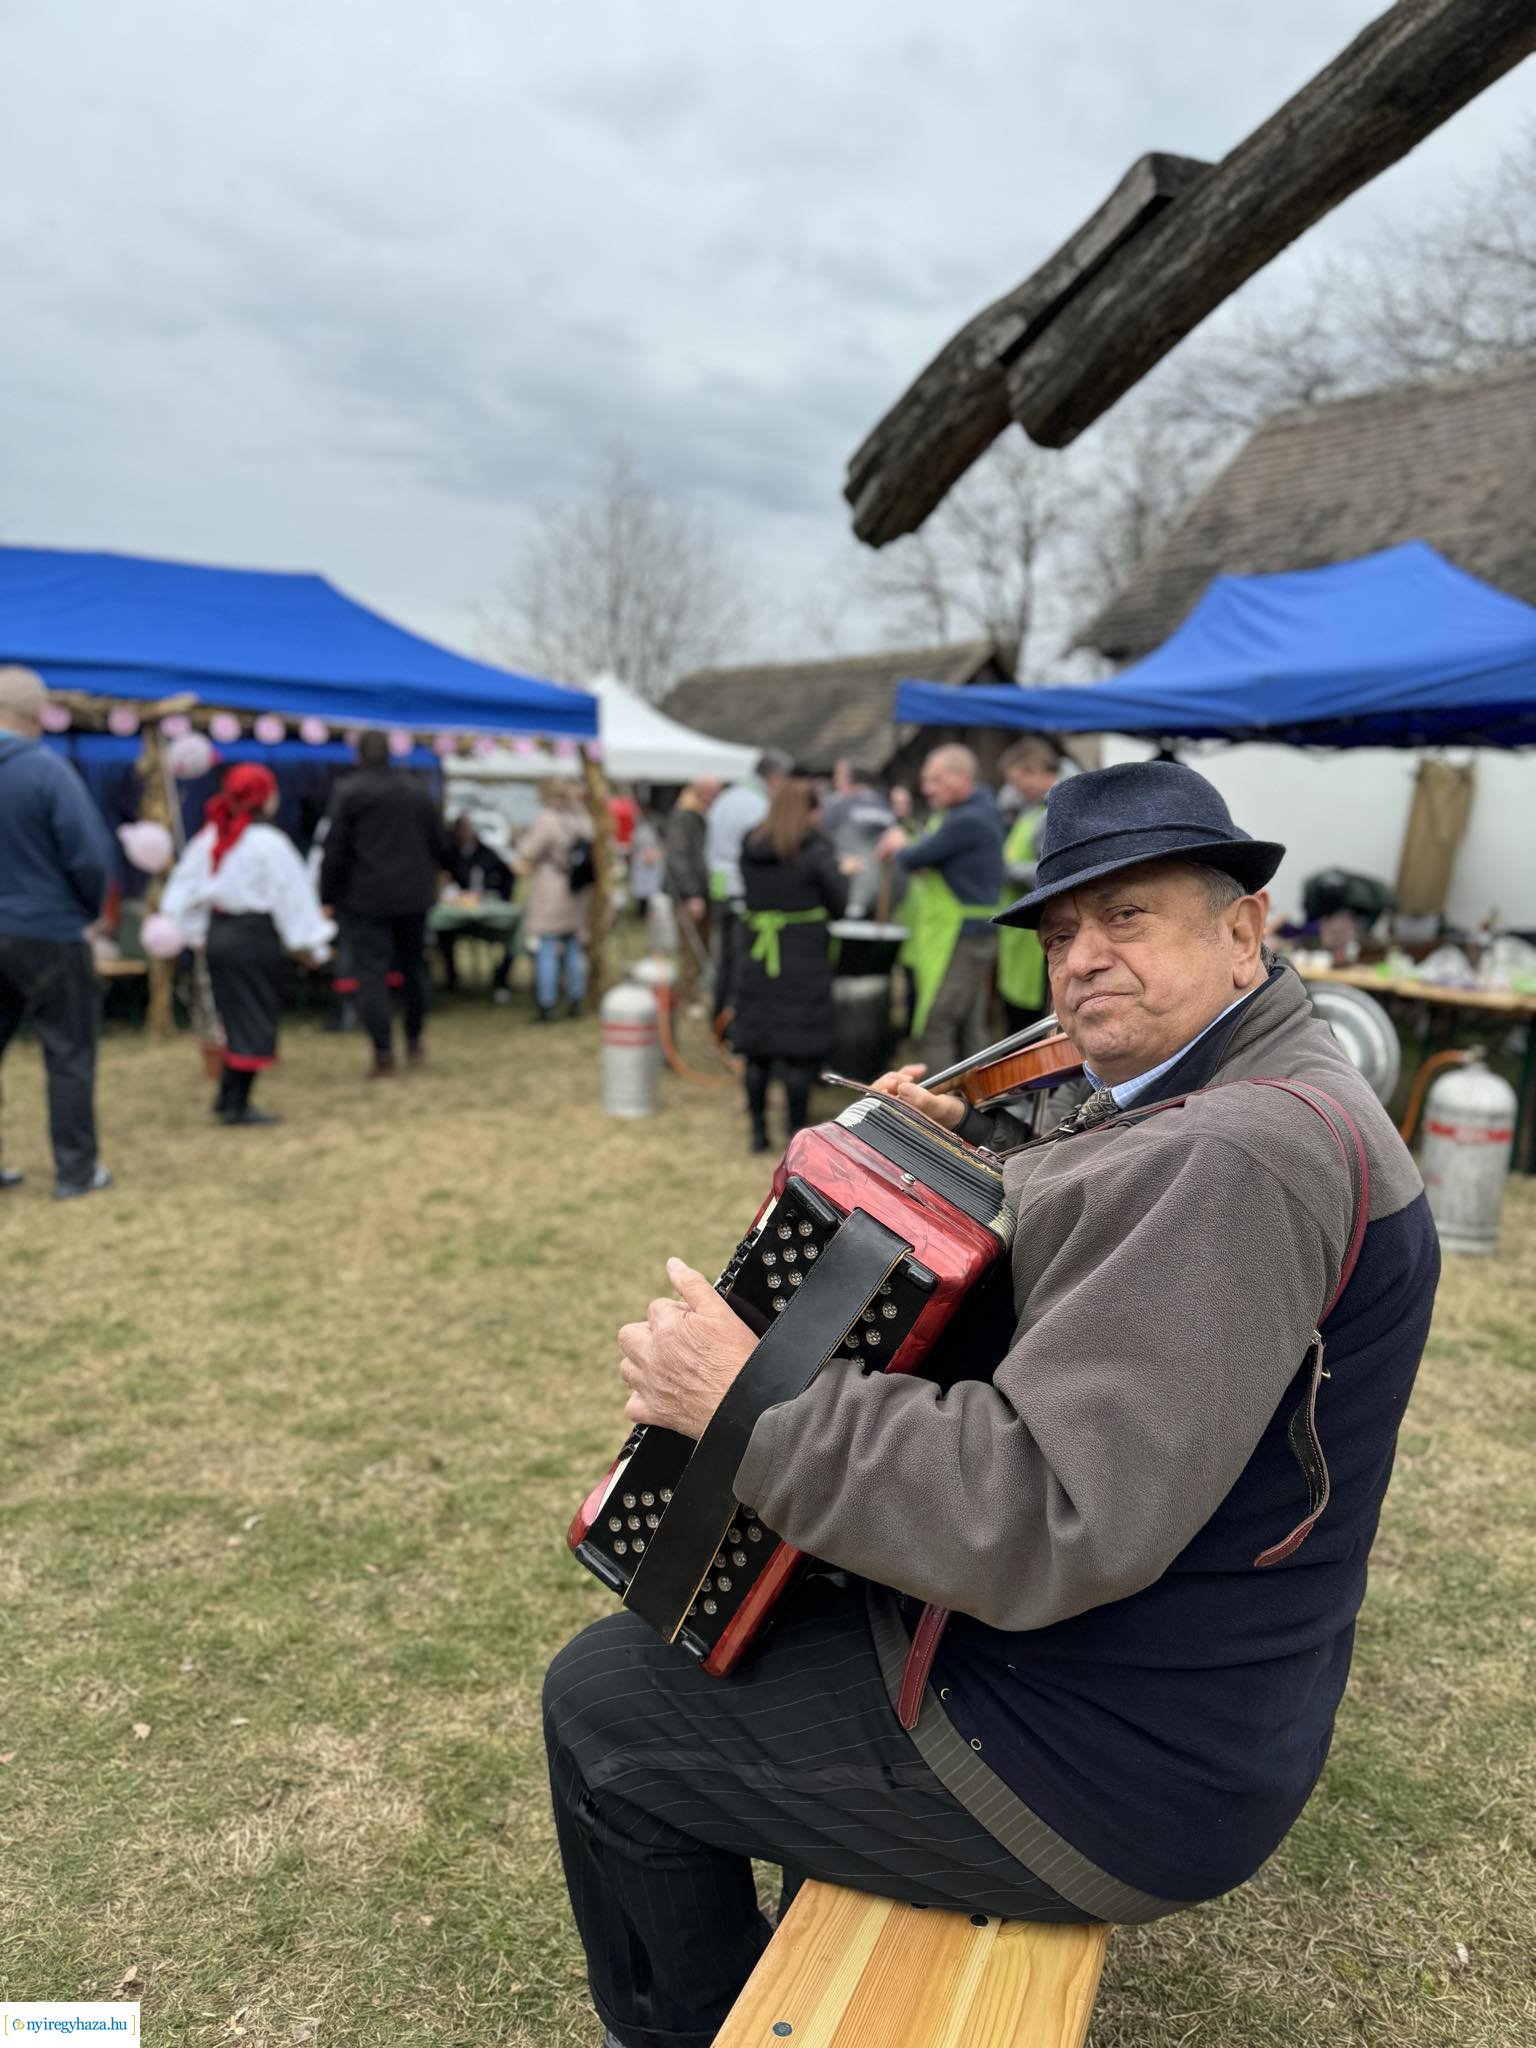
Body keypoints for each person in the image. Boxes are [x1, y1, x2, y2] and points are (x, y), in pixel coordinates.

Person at [543, 759, 1439, 2048]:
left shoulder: (1235, 1153)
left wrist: (748, 1402)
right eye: (1061, 932)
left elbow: (1046, 1509)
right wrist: (953, 1151)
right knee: (758, 1618)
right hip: (1163, 1683)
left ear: (1245, 926)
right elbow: (1110, 1209)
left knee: (606, 1706)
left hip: (1101, 1752)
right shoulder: (1248, 1084)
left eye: (1126, 916)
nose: (1083, 959)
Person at [161, 765, 334, 1125]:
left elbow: (180, 892)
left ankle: (227, 1097)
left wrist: (193, 932)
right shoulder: (269, 844)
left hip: (220, 937)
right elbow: (292, 898)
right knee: (253, 1019)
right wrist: (313, 945)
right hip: (254, 939)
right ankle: (237, 1105)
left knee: (233, 1017)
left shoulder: (209, 838)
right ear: (265, 797)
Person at [0, 665, 116, 1199]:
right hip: (48, 929)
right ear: (38, 715)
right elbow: (88, 855)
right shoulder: (47, 771)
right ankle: (75, 1171)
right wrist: (86, 911)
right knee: (69, 1053)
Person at [319, 732, 450, 1076]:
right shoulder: (417, 791)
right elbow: (440, 842)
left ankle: (383, 1052)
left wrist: (326, 895)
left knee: (371, 974)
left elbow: (335, 848)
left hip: (367, 898)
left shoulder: (350, 792)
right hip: (413, 896)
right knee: (414, 969)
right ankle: (414, 1039)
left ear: (358, 755)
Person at [732, 778, 849, 1153]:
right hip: (803, 962)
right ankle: (795, 1134)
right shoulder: (816, 850)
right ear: (809, 811)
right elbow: (840, 904)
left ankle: (757, 1134)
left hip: (757, 960)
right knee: (799, 1052)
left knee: (757, 1051)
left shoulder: (750, 846)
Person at [875, 743, 1004, 1077]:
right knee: (969, 1026)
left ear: (962, 778)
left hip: (962, 937)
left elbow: (916, 857)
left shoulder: (967, 820)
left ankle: (936, 1102)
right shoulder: (974, 811)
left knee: (938, 1022)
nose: (927, 789)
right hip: (972, 936)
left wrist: (900, 843)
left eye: (935, 780)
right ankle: (978, 1099)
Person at [995, 736, 1065, 1034]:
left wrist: (1007, 869)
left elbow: (1054, 872)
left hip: (1037, 937)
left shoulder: (1053, 813)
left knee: (1030, 1025)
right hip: (1018, 939)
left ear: (1035, 771)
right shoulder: (1030, 810)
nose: (1015, 789)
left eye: (1018, 780)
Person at [517, 781, 592, 1022]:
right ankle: (575, 999)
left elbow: (528, 851)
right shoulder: (582, 818)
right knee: (573, 944)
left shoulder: (547, 819)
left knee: (547, 945)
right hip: (577, 888)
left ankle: (546, 1003)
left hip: (552, 887)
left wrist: (522, 838)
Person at [440, 813, 517, 1000]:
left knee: (512, 933)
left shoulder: (487, 854)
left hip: (487, 914)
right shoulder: (451, 854)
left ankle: (500, 979)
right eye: (460, 829)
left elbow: (507, 877)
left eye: (467, 828)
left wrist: (500, 895)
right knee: (443, 936)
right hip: (457, 915)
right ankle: (451, 977)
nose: (464, 833)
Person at [662, 777, 720, 1014]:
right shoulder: (684, 817)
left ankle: (695, 993)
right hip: (689, 894)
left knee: (702, 945)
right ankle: (688, 998)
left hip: (703, 891)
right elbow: (678, 857)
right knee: (690, 947)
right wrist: (692, 894)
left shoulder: (699, 815)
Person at [818, 764, 897, 919]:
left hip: (845, 886)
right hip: (882, 890)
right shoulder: (883, 803)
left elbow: (823, 835)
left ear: (850, 781)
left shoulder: (839, 804)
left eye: (840, 777)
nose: (836, 781)